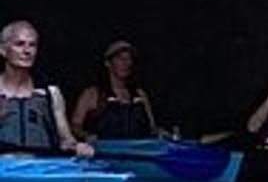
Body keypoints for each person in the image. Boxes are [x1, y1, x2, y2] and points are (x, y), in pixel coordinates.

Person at [0, 20, 94, 157]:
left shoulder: (51, 93)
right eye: (19, 44)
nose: (27, 51)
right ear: (3, 50)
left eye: (32, 45)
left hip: (41, 170)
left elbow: (66, 140)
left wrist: (78, 147)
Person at [71, 39, 159, 140]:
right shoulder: (92, 94)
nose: (126, 63)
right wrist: (87, 136)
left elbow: (152, 127)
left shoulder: (140, 94)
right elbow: (75, 126)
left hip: (138, 152)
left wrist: (162, 133)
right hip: (106, 153)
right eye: (120, 58)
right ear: (108, 63)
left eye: (129, 59)